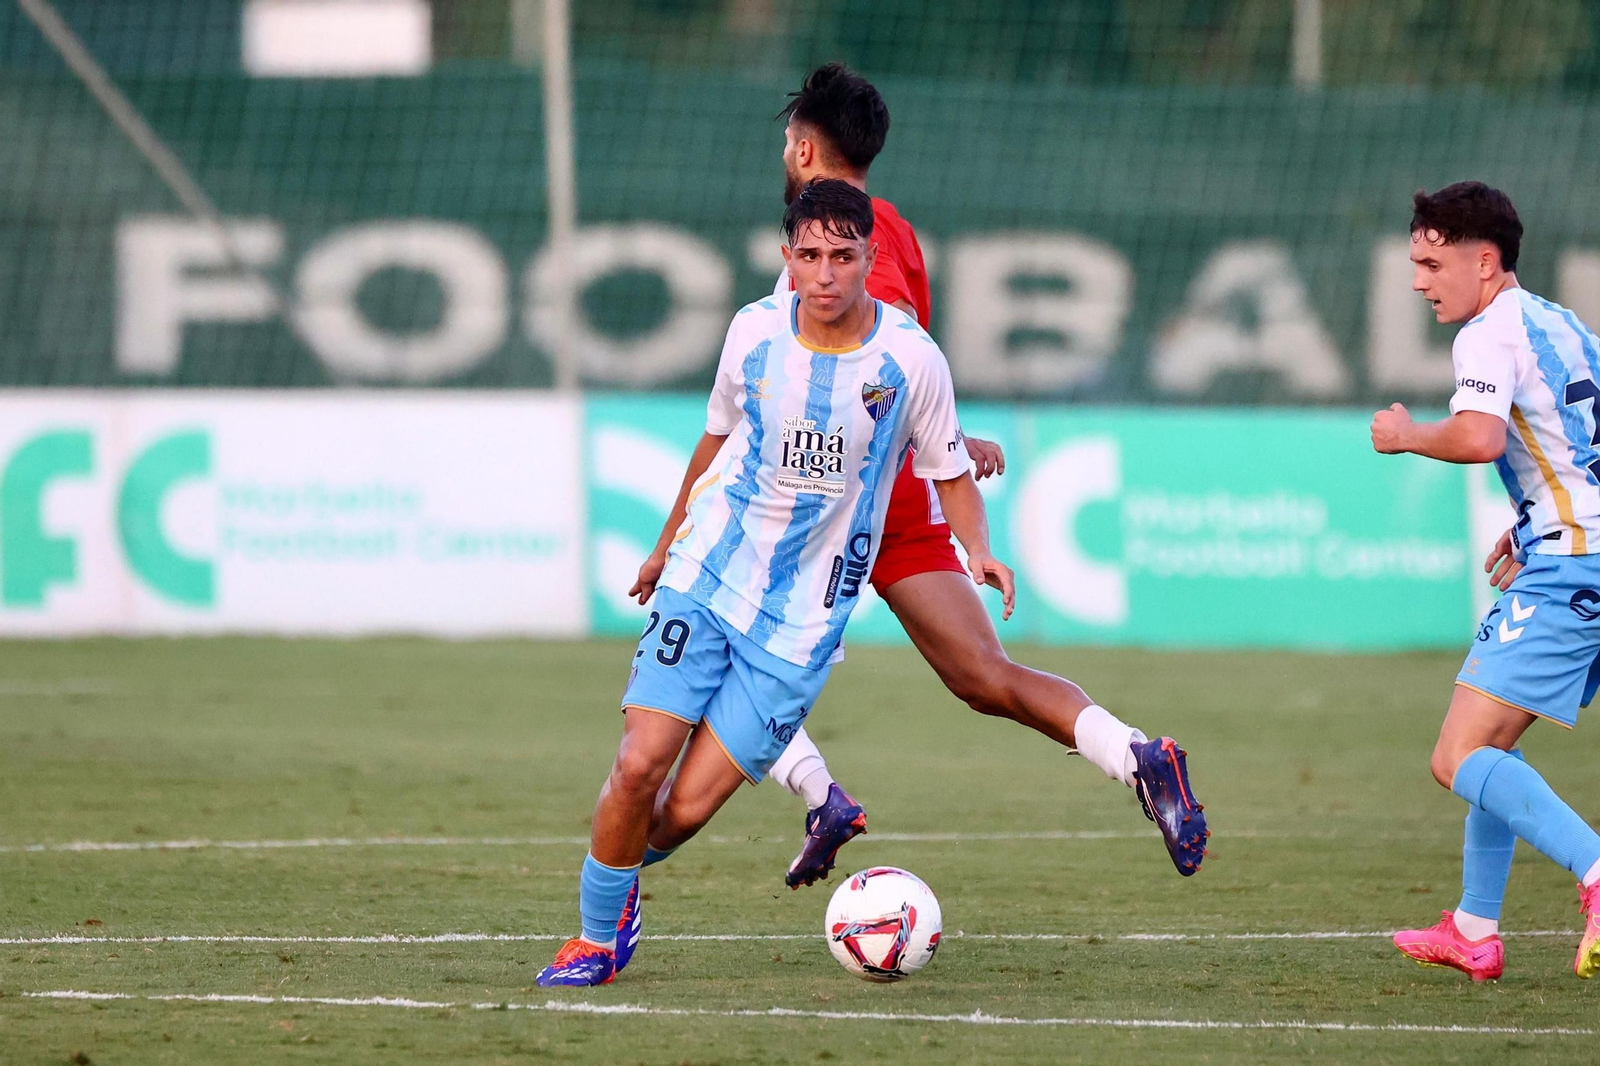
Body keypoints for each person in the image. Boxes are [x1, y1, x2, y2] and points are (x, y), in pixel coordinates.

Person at [716, 62, 1208, 890]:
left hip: (823, 501)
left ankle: (819, 794)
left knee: (703, 640)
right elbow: (903, 354)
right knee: (985, 677)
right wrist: (948, 434)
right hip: (897, 493)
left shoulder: (834, 243)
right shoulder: (891, 228)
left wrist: (940, 435)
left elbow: (882, 350)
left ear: (802, 148)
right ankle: (1139, 756)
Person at [537, 179, 1013, 987]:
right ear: (785, 257)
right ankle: (596, 935)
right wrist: (663, 548)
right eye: (810, 256)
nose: (825, 274)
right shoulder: (753, 333)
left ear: (870, 258)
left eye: (843, 256)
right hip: (710, 576)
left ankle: (620, 877)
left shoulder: (910, 360)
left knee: (680, 814)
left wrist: (978, 551)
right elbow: (715, 441)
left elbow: (950, 471)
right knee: (638, 762)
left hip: (802, 624)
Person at [1373, 181, 1600, 982]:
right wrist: (1534, 518)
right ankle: (1474, 926)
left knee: (1457, 754)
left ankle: (1596, 869)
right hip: (1577, 548)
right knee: (1494, 745)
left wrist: (1404, 436)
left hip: (1575, 562)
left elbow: (1477, 438)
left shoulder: (1486, 334)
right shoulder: (1559, 321)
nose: (1417, 281)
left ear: (1484, 260)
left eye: (1431, 264)